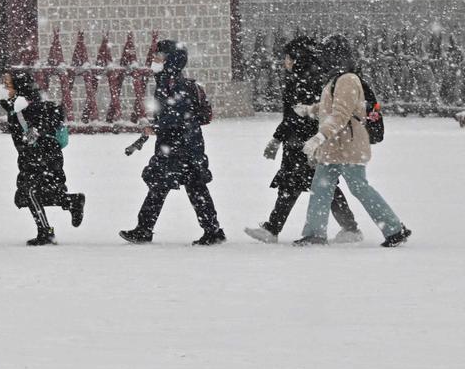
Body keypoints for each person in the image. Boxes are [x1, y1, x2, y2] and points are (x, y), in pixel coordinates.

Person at [293, 34, 411, 247]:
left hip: (348, 146)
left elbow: (341, 114)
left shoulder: (347, 79)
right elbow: (330, 109)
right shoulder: (336, 78)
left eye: (327, 54)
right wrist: (310, 109)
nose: (323, 59)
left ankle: (394, 228)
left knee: (359, 187)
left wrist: (319, 137)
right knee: (320, 187)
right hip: (333, 149)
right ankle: (315, 233)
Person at [245, 36, 362, 243]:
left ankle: (350, 228)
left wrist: (276, 139)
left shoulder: (305, 81)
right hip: (299, 141)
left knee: (319, 185)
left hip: (306, 142)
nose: (285, 62)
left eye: (288, 58)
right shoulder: (308, 78)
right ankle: (273, 228)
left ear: (298, 58)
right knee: (298, 185)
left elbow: (296, 116)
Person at [120, 39, 226, 246]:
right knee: (179, 186)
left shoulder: (175, 83)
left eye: (159, 56)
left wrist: (157, 127)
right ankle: (210, 230)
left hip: (181, 145)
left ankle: (147, 229)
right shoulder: (165, 81)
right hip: (180, 144)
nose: (154, 59)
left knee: (182, 186)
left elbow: (178, 115)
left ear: (170, 60)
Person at [0, 70, 84, 245]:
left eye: (8, 85)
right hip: (30, 155)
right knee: (23, 197)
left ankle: (46, 232)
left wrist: (37, 132)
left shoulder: (32, 104)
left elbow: (51, 117)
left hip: (43, 155)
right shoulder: (17, 104)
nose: (3, 88)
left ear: (19, 87)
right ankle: (72, 201)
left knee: (30, 192)